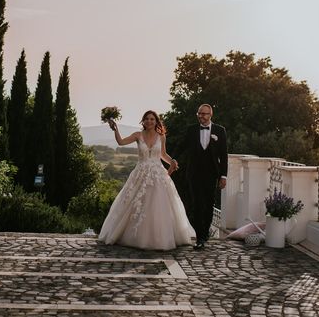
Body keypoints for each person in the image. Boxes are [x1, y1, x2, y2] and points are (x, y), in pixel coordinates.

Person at [98, 110, 194, 250]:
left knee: (158, 205)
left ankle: (159, 237)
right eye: (147, 119)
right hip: (140, 173)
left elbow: (162, 155)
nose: (149, 121)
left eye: (152, 119)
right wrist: (116, 129)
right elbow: (121, 142)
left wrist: (172, 161)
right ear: (143, 121)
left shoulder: (161, 136)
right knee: (135, 203)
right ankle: (134, 236)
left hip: (158, 174)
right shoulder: (138, 135)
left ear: (156, 121)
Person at [183, 103, 228, 250]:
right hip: (194, 174)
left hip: (211, 174)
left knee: (209, 205)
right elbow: (181, 147)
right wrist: (173, 160)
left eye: (204, 114)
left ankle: (205, 232)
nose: (201, 116)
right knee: (196, 205)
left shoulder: (220, 131)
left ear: (210, 115)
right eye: (199, 114)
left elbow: (224, 155)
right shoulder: (191, 130)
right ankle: (199, 236)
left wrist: (223, 176)